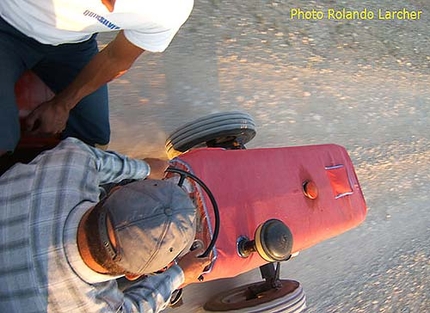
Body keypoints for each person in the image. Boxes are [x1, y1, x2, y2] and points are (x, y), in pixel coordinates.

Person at [0, 137, 211, 312]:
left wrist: (145, 169)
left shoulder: (75, 158)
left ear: (116, 191)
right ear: (133, 274)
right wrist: (179, 275)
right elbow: (134, 308)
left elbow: (101, 162)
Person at [0, 0, 194, 156]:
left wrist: (63, 104)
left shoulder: (171, 8)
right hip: (6, 26)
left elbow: (115, 58)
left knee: (93, 142)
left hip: (73, 46)